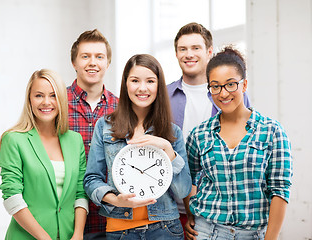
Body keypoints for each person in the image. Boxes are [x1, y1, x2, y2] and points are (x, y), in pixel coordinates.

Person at [184, 47, 293, 240]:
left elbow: (280, 190)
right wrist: (191, 214)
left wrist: (271, 238)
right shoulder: (199, 134)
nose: (223, 93)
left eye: (230, 84)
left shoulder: (272, 131)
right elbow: (188, 179)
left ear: (244, 85)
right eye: (215, 86)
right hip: (207, 231)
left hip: (254, 234)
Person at [84, 54, 192, 240]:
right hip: (120, 230)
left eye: (150, 81)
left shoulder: (172, 132)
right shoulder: (105, 126)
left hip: (165, 229)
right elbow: (91, 179)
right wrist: (115, 200)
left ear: (158, 85)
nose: (142, 88)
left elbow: (183, 191)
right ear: (126, 84)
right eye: (135, 80)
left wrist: (168, 149)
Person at [167, 22, 251, 234]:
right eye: (182, 49)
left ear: (209, 52)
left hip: (220, 209)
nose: (189, 54)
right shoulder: (163, 96)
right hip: (170, 208)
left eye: (196, 48)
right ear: (176, 54)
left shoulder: (230, 95)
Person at [0, 69, 89, 240]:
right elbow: (12, 197)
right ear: (29, 100)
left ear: (62, 99)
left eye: (53, 95)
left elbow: (80, 193)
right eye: (39, 95)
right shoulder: (14, 139)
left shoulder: (75, 140)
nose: (46, 102)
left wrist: (78, 234)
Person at [67, 29, 119, 239]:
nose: (92, 62)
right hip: (67, 217)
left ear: (107, 63)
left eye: (99, 57)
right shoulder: (56, 105)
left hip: (111, 218)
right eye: (85, 56)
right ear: (74, 62)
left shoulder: (122, 109)